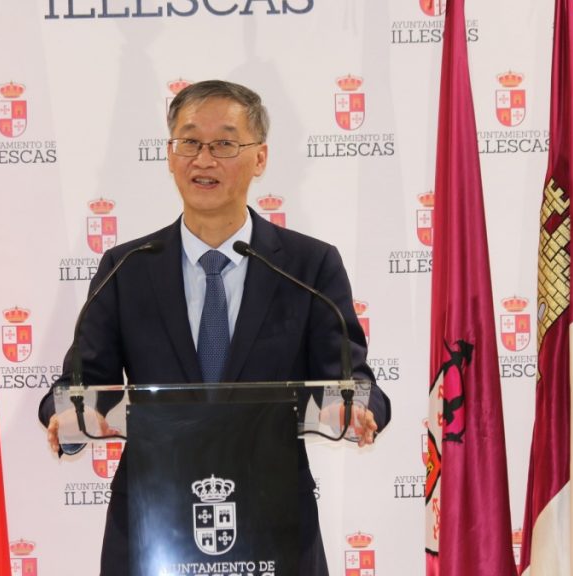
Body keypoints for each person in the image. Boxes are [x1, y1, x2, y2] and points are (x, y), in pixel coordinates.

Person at [38, 79, 391, 576]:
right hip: (152, 521)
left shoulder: (308, 265)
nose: (203, 160)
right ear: (170, 155)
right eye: (190, 142)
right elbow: (80, 382)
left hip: (274, 518)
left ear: (260, 157)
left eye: (225, 143)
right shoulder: (127, 267)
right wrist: (69, 417)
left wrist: (355, 408)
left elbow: (353, 378)